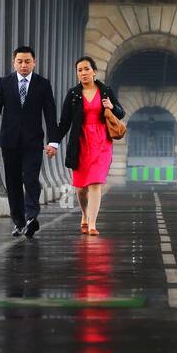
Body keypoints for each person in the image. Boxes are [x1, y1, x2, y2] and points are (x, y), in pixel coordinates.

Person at [0, 46, 59, 239]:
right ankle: (19, 222)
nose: (24, 65)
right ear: (14, 62)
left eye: (27, 61)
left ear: (34, 62)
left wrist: (53, 141)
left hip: (33, 142)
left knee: (30, 178)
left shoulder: (43, 84)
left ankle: (31, 218)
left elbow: (50, 113)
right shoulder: (5, 83)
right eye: (20, 61)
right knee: (13, 182)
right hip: (10, 141)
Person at [55, 56, 125, 236]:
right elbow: (64, 123)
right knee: (80, 188)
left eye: (86, 69)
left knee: (95, 183)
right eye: (79, 70)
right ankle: (85, 214)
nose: (83, 73)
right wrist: (53, 143)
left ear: (94, 71)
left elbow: (120, 112)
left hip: (101, 141)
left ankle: (92, 224)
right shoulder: (73, 94)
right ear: (77, 74)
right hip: (80, 142)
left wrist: (111, 106)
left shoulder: (105, 91)